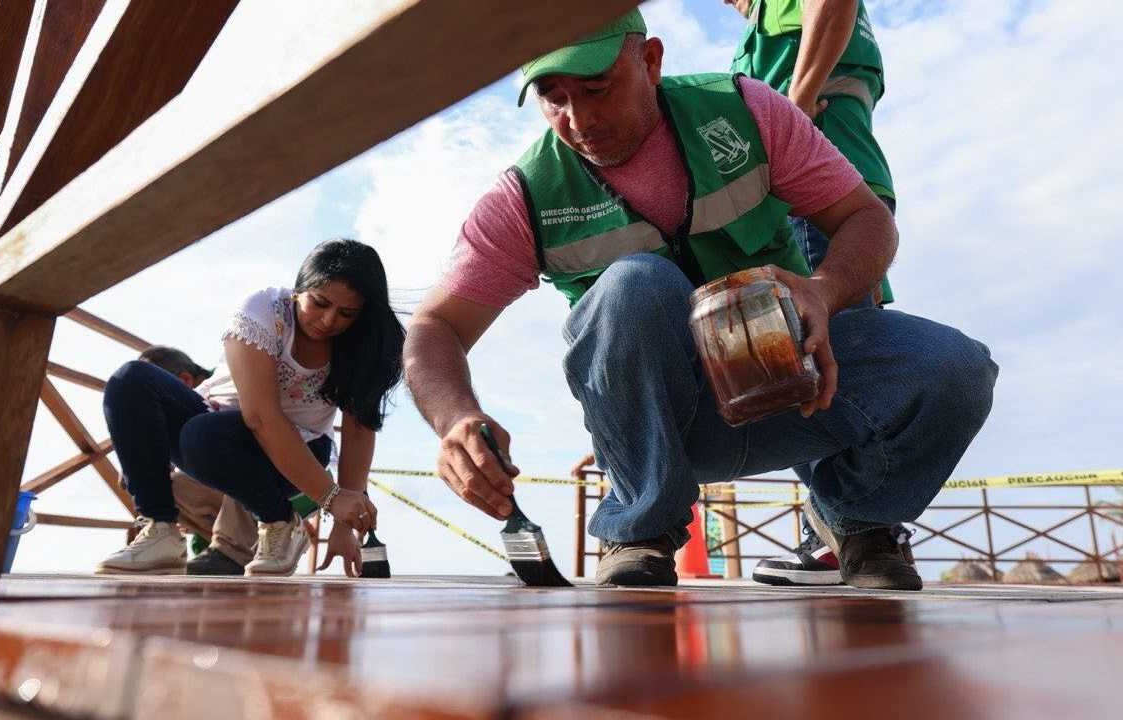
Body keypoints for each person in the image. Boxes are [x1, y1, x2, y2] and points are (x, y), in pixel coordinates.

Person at [403, 10, 997, 590]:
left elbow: (867, 218)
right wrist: (455, 419)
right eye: (553, 98)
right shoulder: (529, 195)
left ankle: (859, 520)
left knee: (955, 368)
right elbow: (435, 327)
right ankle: (641, 529)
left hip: (798, 387)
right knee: (633, 283)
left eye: (598, 88)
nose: (580, 119)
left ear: (651, 61)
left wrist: (824, 290)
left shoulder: (746, 113)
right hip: (666, 423)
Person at [725, 0, 911, 585]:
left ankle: (849, 529)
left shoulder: (776, 8)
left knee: (806, 356)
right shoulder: (764, 26)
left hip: (816, 195)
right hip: (851, 193)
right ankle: (861, 528)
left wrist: (796, 103)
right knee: (854, 357)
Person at [97, 239, 403, 577]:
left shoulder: (363, 346)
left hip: (299, 451)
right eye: (320, 302)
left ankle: (279, 522)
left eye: (347, 314)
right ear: (299, 288)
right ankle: (159, 529)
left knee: (202, 436)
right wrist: (333, 498)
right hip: (222, 425)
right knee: (130, 379)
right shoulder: (264, 311)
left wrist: (343, 523)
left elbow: (359, 432)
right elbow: (260, 415)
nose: (329, 320)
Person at [133, 345, 259, 575]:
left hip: (294, 487)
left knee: (232, 440)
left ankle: (234, 552)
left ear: (184, 381)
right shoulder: (197, 398)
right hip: (247, 493)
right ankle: (227, 548)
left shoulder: (231, 382)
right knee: (160, 482)